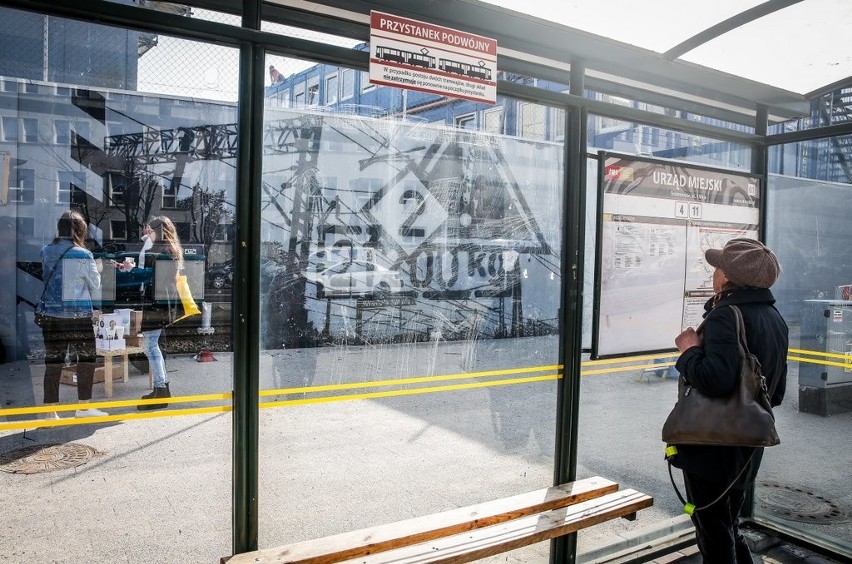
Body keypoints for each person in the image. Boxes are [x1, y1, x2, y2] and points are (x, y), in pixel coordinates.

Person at [672, 238, 788, 563]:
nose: (714, 273)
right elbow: (775, 392)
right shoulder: (773, 317)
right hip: (748, 441)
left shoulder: (726, 316)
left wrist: (690, 349)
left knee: (711, 527)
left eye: (718, 267)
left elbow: (714, 379)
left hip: (713, 442)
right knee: (727, 523)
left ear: (726, 278)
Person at [36, 210, 108, 418]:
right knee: (86, 359)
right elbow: (95, 285)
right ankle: (83, 407)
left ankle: (50, 413)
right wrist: (98, 268)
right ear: (79, 230)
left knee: (53, 362)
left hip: (51, 316)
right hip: (77, 316)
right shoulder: (83, 254)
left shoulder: (46, 251)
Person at [132, 216, 184, 410]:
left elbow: (152, 276)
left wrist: (131, 270)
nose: (148, 234)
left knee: (151, 347)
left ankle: (162, 390)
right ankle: (161, 389)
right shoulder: (169, 249)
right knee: (153, 347)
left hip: (156, 305)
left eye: (151, 231)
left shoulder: (162, 251)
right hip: (160, 304)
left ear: (159, 231)